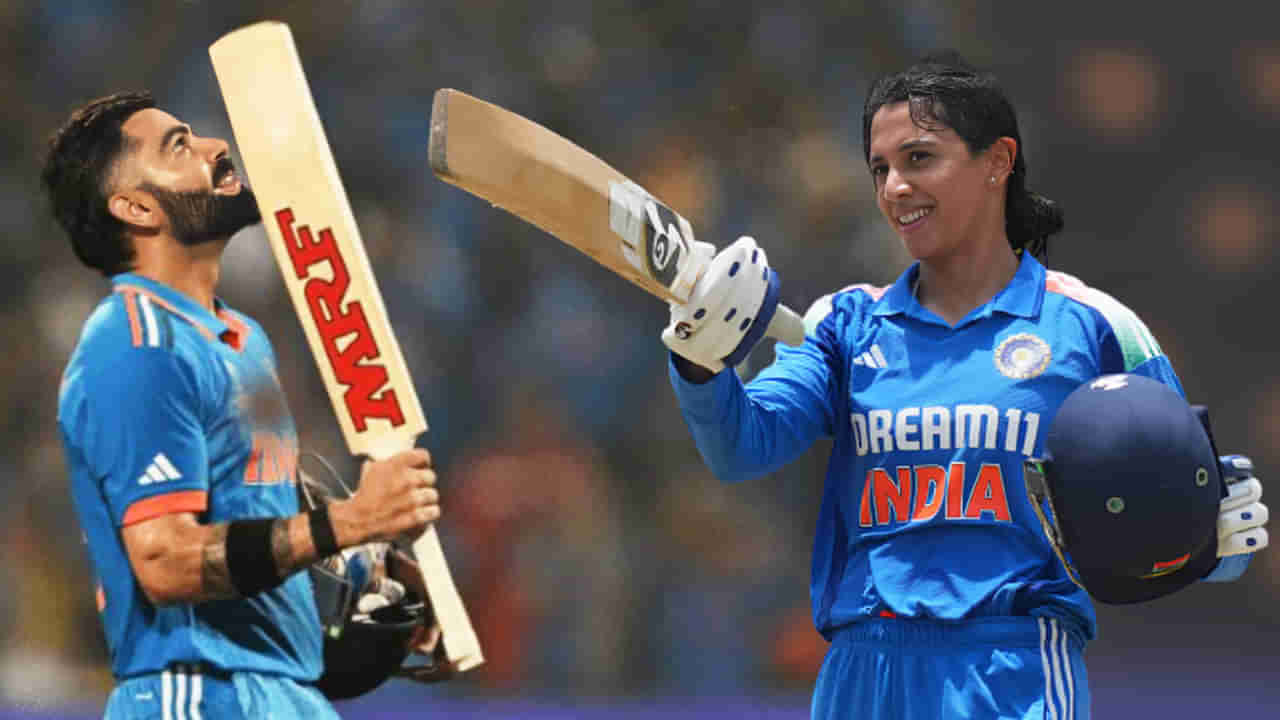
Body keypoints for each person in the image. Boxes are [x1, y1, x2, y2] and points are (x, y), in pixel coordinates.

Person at [661, 52, 1268, 720]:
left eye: (919, 159)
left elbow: (1188, 503)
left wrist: (1215, 541)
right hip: (862, 670)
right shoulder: (842, 323)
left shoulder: (1094, 325)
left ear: (997, 162)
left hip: (1013, 671)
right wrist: (700, 362)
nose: (895, 188)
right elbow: (742, 447)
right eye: (880, 169)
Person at [46, 91, 444, 718]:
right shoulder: (133, 347)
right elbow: (165, 561)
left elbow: (263, 490)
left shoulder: (244, 339)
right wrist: (349, 522)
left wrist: (368, 563)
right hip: (197, 691)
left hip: (284, 692)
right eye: (179, 146)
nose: (215, 146)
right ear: (136, 207)